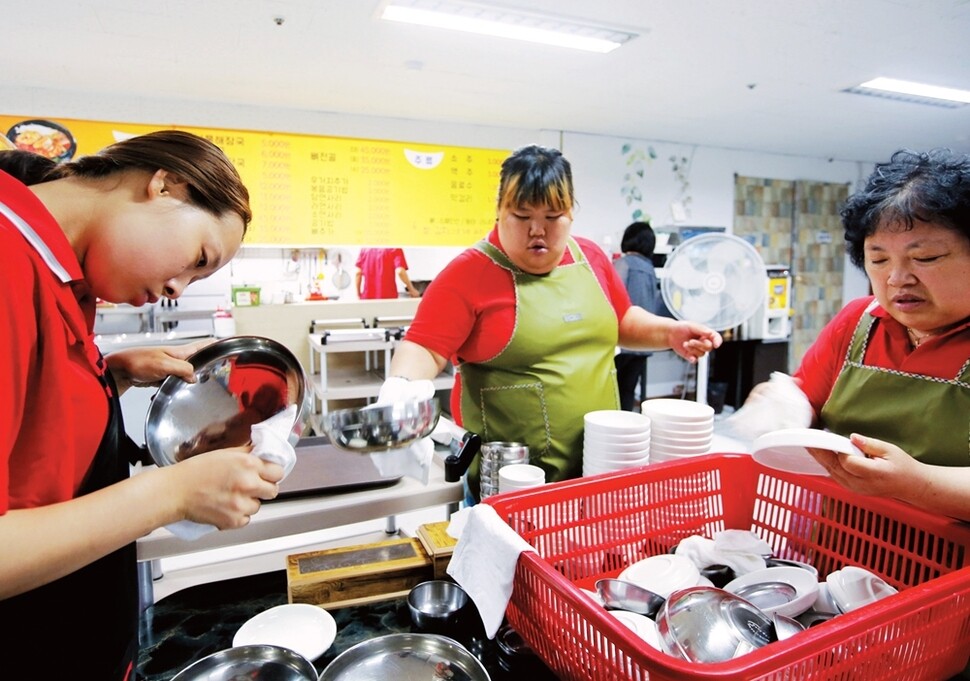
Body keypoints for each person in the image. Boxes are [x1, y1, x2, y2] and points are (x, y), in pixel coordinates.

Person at [0, 132, 284, 678]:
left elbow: (30, 451)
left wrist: (110, 375)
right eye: (199, 258)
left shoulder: (62, 281)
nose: (180, 288)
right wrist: (170, 494)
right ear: (164, 185)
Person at [385, 145, 722, 501]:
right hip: (513, 484)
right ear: (499, 210)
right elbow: (424, 346)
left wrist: (671, 332)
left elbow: (622, 320)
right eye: (521, 215)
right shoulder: (468, 274)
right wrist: (400, 390)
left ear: (571, 213)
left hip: (603, 470)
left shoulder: (590, 258)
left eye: (552, 216)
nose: (537, 230)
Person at [777, 148, 970, 520]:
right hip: (843, 545)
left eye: (926, 258)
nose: (897, 279)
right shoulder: (858, 321)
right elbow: (803, 397)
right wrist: (780, 404)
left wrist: (917, 482)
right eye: (878, 259)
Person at [613, 221, 659, 411]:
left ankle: (611, 430)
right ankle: (627, 428)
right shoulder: (650, 269)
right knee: (628, 390)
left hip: (622, 341)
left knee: (612, 389)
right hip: (644, 341)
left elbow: (611, 299)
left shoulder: (621, 264)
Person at [355, 247, 421, 298]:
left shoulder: (365, 249)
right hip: (388, 298)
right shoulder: (394, 248)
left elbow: (358, 273)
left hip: (367, 298)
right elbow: (400, 271)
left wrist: (358, 294)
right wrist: (412, 290)